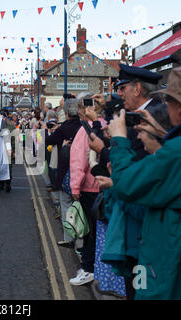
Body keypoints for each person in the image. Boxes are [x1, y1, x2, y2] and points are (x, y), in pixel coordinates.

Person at [105, 65, 181, 300]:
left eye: (169, 100)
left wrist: (118, 139)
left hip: (179, 265)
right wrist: (165, 136)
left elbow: (125, 184)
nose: (166, 105)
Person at [68, 93, 107, 286]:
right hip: (103, 185)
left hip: (88, 188)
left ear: (84, 110)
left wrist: (75, 186)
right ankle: (96, 268)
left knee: (87, 231)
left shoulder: (84, 129)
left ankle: (87, 268)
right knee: (99, 231)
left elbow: (78, 162)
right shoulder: (106, 125)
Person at [45, 98, 82, 247]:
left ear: (66, 113)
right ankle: (81, 237)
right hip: (82, 169)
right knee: (79, 206)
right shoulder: (83, 125)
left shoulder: (64, 127)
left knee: (66, 203)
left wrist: (50, 131)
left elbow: (49, 141)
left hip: (66, 169)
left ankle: (69, 238)